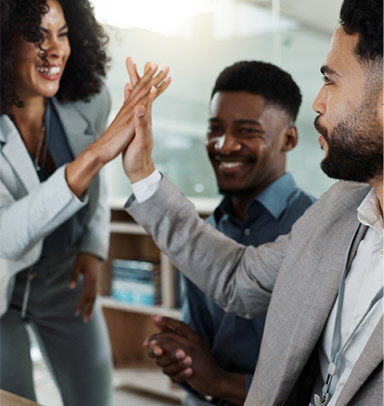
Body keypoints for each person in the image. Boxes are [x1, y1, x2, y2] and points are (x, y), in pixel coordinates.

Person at [122, 0, 383, 404]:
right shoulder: (339, 210)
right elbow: (239, 280)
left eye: (331, 81)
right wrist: (142, 172)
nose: (318, 102)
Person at [0, 0, 170, 405]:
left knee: (96, 399)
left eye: (62, 34)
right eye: (37, 36)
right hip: (2, 286)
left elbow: (97, 188)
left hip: (65, 279)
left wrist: (94, 249)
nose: (55, 49)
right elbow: (5, 236)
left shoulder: (87, 101)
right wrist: (95, 154)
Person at [143, 61, 315, 406]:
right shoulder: (204, 233)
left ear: (289, 138)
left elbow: (323, 387)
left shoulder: (315, 229)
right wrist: (178, 358)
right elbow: (199, 362)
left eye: (247, 131)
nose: (224, 145)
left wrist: (221, 382)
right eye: (214, 128)